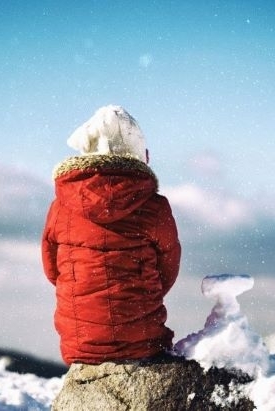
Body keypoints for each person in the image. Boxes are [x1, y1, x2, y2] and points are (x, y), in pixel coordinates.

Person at [41, 105, 182, 365]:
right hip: (142, 341)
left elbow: (52, 270)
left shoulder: (60, 206)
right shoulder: (155, 206)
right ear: (139, 152)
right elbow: (167, 271)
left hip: (80, 344)